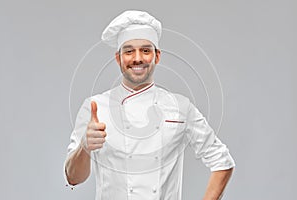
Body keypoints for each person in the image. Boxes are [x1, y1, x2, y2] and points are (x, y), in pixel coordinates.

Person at [64, 10, 235, 200]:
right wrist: (85, 147)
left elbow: (222, 161)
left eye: (145, 50)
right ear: (118, 58)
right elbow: (72, 178)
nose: (137, 58)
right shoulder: (95, 106)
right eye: (129, 51)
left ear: (157, 56)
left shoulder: (180, 107)